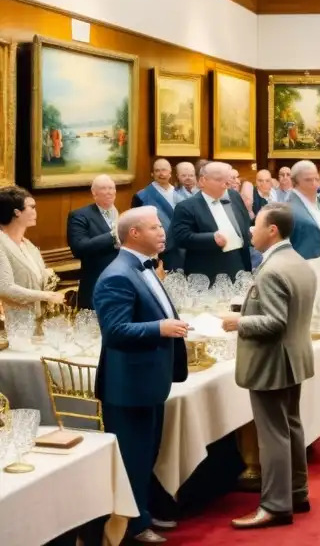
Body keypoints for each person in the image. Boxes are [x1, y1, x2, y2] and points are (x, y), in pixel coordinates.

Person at [94, 207, 188, 544]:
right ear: (134, 233)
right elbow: (115, 331)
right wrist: (160, 327)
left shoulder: (144, 268)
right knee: (132, 458)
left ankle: (143, 513)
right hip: (128, 384)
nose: (163, 232)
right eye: (155, 227)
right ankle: (131, 527)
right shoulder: (117, 274)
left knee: (147, 454)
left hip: (150, 380)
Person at [222, 204, 316, 530]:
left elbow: (274, 323)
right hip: (293, 357)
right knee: (291, 426)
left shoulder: (273, 269)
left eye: (255, 225)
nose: (250, 231)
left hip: (271, 362)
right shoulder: (298, 261)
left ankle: (275, 505)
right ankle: (296, 492)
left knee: (273, 435)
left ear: (272, 229)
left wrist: (238, 321)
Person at [171, 161, 253, 283]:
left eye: (228, 180)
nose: (226, 184)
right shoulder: (186, 206)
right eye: (220, 180)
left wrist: (250, 233)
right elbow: (180, 237)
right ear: (203, 181)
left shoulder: (234, 196)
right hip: (207, 274)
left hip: (239, 266)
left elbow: (244, 223)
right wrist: (211, 238)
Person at [286, 160, 320, 315]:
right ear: (295, 182)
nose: (315, 183)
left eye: (316, 178)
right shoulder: (288, 207)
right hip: (306, 263)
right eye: (308, 180)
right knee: (310, 309)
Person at [0, 186, 66, 305]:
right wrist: (45, 296)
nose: (35, 211)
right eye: (32, 207)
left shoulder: (28, 244)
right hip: (19, 320)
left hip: (38, 317)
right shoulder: (2, 243)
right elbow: (5, 287)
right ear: (17, 212)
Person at [67, 174, 121, 309]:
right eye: (103, 188)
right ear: (94, 193)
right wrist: (114, 236)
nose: (109, 192)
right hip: (96, 284)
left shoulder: (123, 214)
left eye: (111, 188)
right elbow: (79, 248)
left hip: (122, 283)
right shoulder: (79, 215)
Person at [132, 158, 182, 271]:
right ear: (152, 174)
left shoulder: (180, 194)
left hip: (181, 246)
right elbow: (137, 225)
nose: (161, 174)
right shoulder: (142, 196)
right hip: (158, 249)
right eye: (157, 171)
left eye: (164, 170)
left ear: (170, 173)